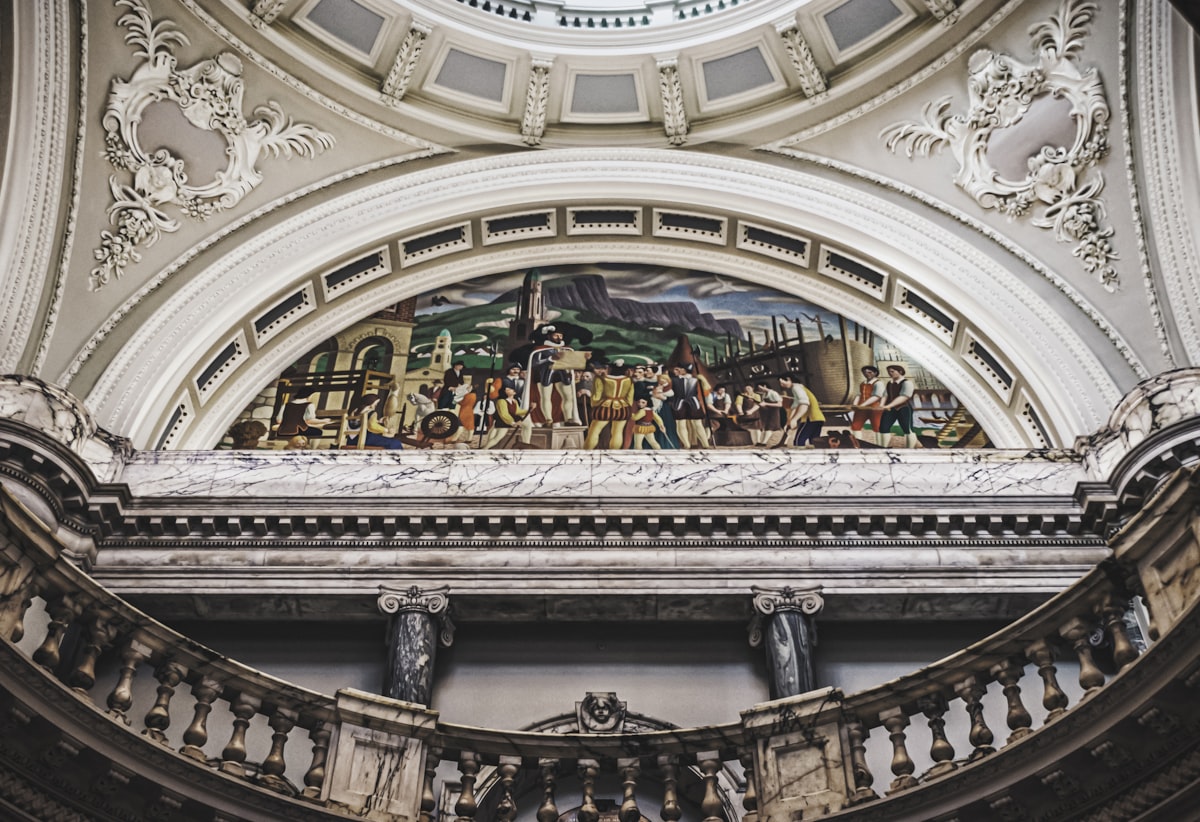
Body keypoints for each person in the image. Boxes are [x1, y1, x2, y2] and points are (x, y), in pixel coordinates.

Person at [585, 360, 634, 449]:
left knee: (594, 431)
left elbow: (596, 398)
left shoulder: (600, 379)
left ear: (610, 368)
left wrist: (594, 405)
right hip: (622, 408)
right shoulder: (629, 380)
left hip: (604, 408)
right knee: (617, 432)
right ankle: (614, 454)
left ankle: (586, 453)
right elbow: (630, 399)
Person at [777, 373, 824, 448]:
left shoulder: (796, 387)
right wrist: (789, 421)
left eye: (783, 383)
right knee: (814, 442)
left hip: (810, 419)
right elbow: (794, 406)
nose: (782, 385)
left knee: (798, 441)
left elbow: (804, 404)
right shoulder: (801, 388)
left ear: (789, 379)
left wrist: (794, 420)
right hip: (818, 418)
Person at [670, 364, 712, 449]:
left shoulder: (696, 380)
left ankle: (705, 444)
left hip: (693, 402)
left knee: (697, 424)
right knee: (681, 424)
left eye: (681, 369)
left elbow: (706, 390)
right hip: (679, 403)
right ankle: (686, 444)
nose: (678, 371)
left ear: (685, 370)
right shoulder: (674, 380)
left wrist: (702, 379)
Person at [879, 364, 919, 447]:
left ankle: (909, 450)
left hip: (904, 408)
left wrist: (889, 405)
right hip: (890, 409)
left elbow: (904, 396)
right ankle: (883, 448)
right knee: (883, 428)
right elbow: (885, 395)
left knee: (907, 429)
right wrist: (881, 405)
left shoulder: (907, 383)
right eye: (889, 372)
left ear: (900, 372)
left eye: (892, 371)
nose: (890, 373)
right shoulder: (889, 383)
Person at [850, 365, 885, 446]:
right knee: (855, 426)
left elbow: (876, 396)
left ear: (875, 373)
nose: (867, 374)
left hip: (875, 408)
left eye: (870, 372)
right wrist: (855, 404)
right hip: (862, 408)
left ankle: (879, 446)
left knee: (877, 427)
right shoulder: (863, 383)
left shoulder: (878, 383)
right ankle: (858, 445)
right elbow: (859, 395)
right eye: (865, 373)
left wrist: (862, 405)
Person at [755, 381, 784, 445]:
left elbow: (779, 404)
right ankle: (762, 442)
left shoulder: (773, 393)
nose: (759, 389)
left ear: (765, 386)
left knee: (770, 427)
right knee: (767, 427)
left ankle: (764, 442)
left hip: (774, 412)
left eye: (760, 387)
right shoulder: (765, 394)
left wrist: (766, 404)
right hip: (768, 413)